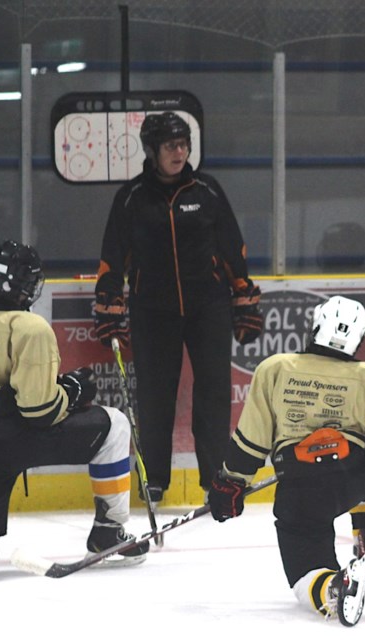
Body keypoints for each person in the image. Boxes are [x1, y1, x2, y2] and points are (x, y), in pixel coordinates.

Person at [0, 240, 148, 592]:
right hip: (20, 439)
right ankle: (109, 533)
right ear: (27, 285)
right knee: (115, 425)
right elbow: (39, 411)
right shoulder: (28, 327)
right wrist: (74, 391)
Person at [205, 296, 365, 626]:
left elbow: (252, 439)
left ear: (316, 324)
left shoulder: (275, 368)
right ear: (360, 338)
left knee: (305, 566)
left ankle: (333, 587)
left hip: (301, 482)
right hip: (353, 476)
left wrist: (231, 482)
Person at [93, 111, 263, 504]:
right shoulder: (132, 197)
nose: (180, 151)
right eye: (171, 145)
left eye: (184, 144)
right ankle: (154, 479)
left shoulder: (208, 191)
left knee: (214, 393)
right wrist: (109, 303)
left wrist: (243, 297)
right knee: (155, 395)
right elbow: (112, 258)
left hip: (209, 307)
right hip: (153, 311)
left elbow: (233, 249)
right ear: (152, 150)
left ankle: (215, 478)